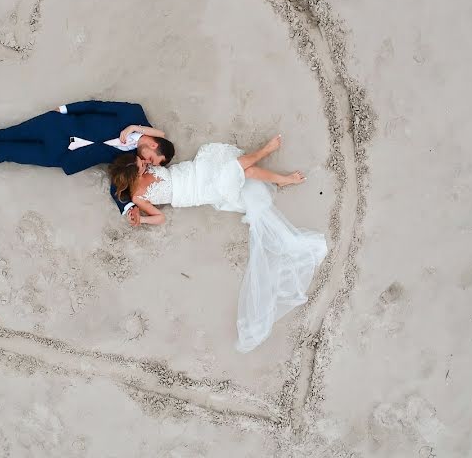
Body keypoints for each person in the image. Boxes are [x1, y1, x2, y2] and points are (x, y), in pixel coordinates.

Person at [108, 135, 327, 352]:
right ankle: (268, 156)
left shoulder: (148, 166)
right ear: (131, 174)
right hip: (197, 192)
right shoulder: (137, 196)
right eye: (140, 166)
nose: (145, 164)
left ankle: (281, 178)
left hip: (195, 171)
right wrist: (142, 219)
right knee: (237, 171)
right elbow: (160, 218)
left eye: (142, 161)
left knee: (242, 171)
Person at [0, 100, 175, 218]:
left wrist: (127, 208)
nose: (150, 163)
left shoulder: (131, 160)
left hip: (58, 156)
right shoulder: (134, 113)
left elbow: (117, 185)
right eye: (155, 158)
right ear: (154, 143)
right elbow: (98, 106)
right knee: (3, 135)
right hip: (56, 126)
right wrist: (64, 110)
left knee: (3, 153)